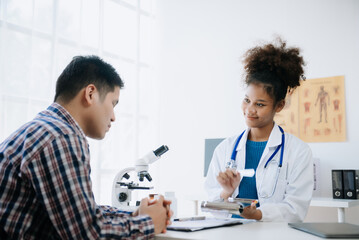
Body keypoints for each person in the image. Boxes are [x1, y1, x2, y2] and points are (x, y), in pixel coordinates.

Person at [0, 55, 172, 239]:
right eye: (113, 104)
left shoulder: (45, 129)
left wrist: (134, 215)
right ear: (90, 94)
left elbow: (79, 213)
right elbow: (87, 234)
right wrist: (149, 223)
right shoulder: (62, 137)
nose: (114, 117)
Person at [204, 39, 313, 222]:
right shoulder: (225, 149)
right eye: (247, 100)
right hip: (230, 234)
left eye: (260, 104)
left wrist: (258, 214)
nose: (250, 110)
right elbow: (211, 207)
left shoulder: (298, 152)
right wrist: (226, 192)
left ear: (279, 106)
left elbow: (296, 210)